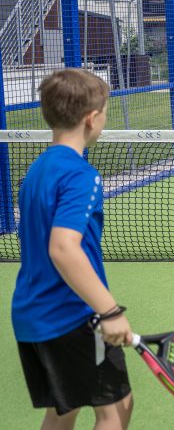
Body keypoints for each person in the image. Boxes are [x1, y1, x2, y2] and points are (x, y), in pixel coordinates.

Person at [12, 68, 134, 429]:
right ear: (91, 118)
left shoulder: (36, 171)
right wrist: (109, 311)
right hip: (71, 315)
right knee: (116, 409)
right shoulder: (82, 176)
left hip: (32, 317)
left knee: (64, 409)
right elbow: (63, 248)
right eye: (105, 113)